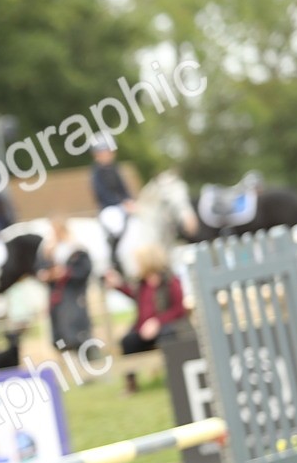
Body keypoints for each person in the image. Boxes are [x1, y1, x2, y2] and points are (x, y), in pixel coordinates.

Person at [104, 243, 188, 393]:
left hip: (166, 327)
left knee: (168, 336)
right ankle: (131, 385)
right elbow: (133, 295)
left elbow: (179, 309)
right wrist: (118, 286)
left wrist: (157, 322)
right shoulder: (141, 284)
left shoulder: (170, 281)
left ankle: (175, 378)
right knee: (127, 341)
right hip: (143, 329)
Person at [35, 217, 93, 355]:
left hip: (73, 298)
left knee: (78, 336)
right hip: (58, 300)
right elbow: (40, 271)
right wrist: (49, 274)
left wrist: (66, 273)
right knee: (61, 340)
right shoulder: (48, 250)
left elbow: (83, 271)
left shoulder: (76, 250)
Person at [89, 134, 133, 271]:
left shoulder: (115, 169)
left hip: (121, 206)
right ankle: (114, 258)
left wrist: (129, 201)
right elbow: (101, 193)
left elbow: (123, 188)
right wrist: (120, 204)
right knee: (116, 225)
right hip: (108, 208)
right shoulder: (96, 173)